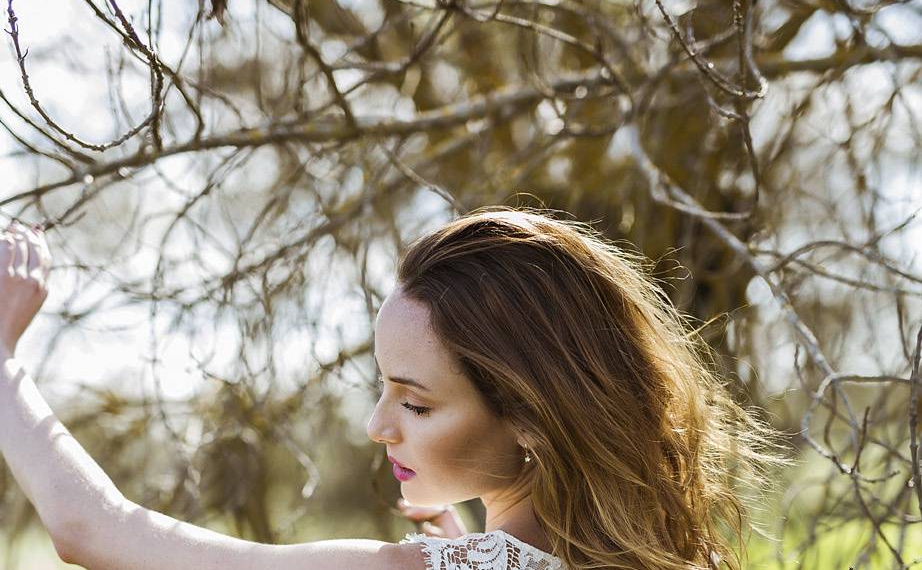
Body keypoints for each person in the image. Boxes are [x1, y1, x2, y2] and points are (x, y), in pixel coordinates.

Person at [0, 208, 783, 570]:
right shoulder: (683, 557)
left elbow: (91, 532)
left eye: (416, 402)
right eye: (384, 388)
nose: (379, 426)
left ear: (532, 424)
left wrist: (2, 365)